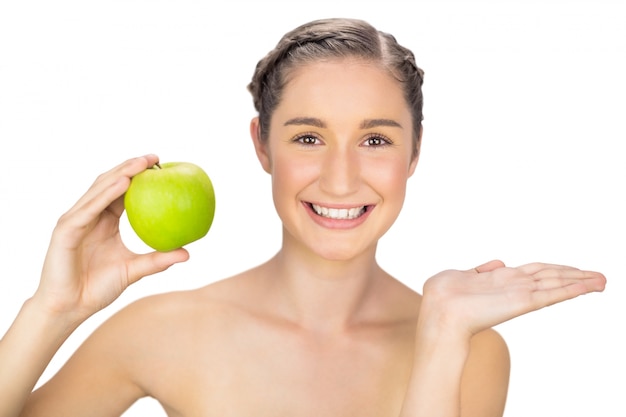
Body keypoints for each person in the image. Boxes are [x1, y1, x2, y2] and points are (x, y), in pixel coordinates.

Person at [0, 17, 606, 417]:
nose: (341, 179)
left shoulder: (468, 349)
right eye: (309, 138)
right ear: (262, 146)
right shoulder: (162, 330)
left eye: (375, 141)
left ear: (415, 152)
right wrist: (52, 310)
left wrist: (443, 335)